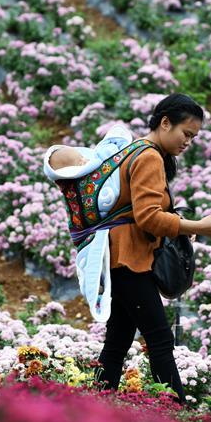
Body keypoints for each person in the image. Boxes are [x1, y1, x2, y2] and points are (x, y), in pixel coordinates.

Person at [95, 93, 211, 404]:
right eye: (186, 134)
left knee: (117, 340)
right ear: (165, 122)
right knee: (160, 340)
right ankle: (175, 412)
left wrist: (179, 223)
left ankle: (96, 404)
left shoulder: (134, 151)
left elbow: (140, 210)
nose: (188, 142)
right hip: (132, 261)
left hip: (120, 257)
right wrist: (198, 226)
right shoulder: (149, 156)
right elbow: (148, 217)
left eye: (193, 137)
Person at [43, 124, 134, 321]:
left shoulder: (100, 162)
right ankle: (98, 291)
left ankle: (100, 292)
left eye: (81, 156)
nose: (85, 159)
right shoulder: (76, 185)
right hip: (96, 236)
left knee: (120, 329)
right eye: (79, 161)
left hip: (118, 245)